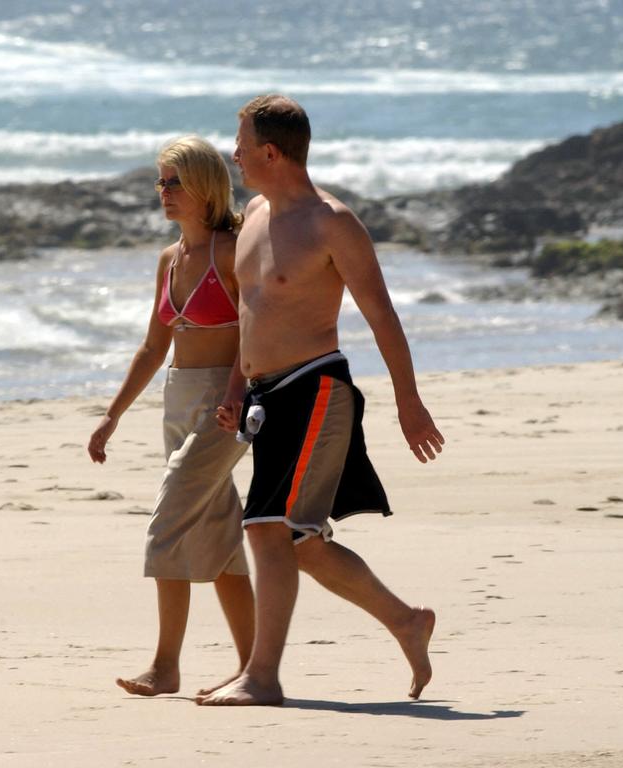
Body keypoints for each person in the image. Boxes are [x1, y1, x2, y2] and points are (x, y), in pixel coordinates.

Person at [197, 95, 445, 707]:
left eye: (242, 145)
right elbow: (252, 316)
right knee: (301, 541)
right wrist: (236, 388)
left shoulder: (332, 223)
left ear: (272, 152)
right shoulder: (254, 213)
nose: (235, 155)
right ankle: (406, 621)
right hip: (264, 396)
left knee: (266, 528)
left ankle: (262, 676)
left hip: (315, 389)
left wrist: (408, 403)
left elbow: (382, 314)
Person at [88, 135, 255, 697]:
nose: (164, 191)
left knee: (168, 525)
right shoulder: (169, 259)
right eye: (160, 181)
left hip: (222, 405)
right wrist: (111, 416)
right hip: (177, 398)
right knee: (221, 540)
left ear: (205, 186)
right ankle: (255, 666)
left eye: (174, 181)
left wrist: (236, 394)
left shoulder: (232, 251)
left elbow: (254, 337)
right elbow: (152, 348)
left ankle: (165, 667)